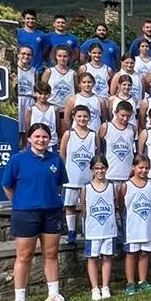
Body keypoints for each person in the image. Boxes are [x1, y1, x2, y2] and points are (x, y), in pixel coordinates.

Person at [1, 121, 67, 301]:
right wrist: (20, 202)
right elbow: (7, 186)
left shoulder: (55, 160)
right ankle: (20, 299)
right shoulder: (17, 160)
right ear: (29, 139)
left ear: (50, 139)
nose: (41, 140)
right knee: (24, 255)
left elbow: (58, 185)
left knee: (51, 254)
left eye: (44, 136)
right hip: (25, 213)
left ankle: (53, 294)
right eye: (37, 136)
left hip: (51, 212)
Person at [59, 104, 98, 244]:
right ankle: (71, 231)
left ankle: (86, 230)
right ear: (74, 117)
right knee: (70, 205)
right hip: (71, 177)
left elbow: (97, 156)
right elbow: (62, 154)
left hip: (88, 178)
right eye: (79, 116)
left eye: (85, 116)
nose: (82, 119)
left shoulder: (93, 135)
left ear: (89, 118)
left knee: (86, 205)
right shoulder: (69, 134)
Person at [80, 155, 117, 300]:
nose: (100, 171)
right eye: (96, 168)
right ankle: (95, 288)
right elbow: (83, 209)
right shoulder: (86, 188)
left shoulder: (112, 186)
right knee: (92, 258)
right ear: (92, 170)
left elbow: (117, 205)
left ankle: (105, 286)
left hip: (109, 229)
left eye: (102, 168)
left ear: (106, 169)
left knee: (107, 257)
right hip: (93, 230)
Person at [120, 153, 151, 295]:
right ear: (133, 167)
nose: (144, 171)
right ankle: (130, 283)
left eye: (147, 168)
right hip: (131, 227)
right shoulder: (126, 185)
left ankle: (142, 281)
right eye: (141, 167)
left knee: (144, 254)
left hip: (147, 226)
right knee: (131, 254)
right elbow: (121, 205)